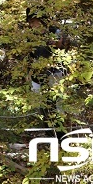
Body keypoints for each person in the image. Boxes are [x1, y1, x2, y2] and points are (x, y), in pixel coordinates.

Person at [26, 8, 69, 139]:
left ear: (41, 20)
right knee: (41, 104)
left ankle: (62, 134)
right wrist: (28, 73)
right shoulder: (29, 36)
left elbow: (64, 45)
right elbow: (30, 56)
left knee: (56, 103)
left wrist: (56, 43)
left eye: (35, 21)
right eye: (30, 22)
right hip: (37, 76)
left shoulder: (54, 31)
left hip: (54, 73)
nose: (33, 24)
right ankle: (49, 132)